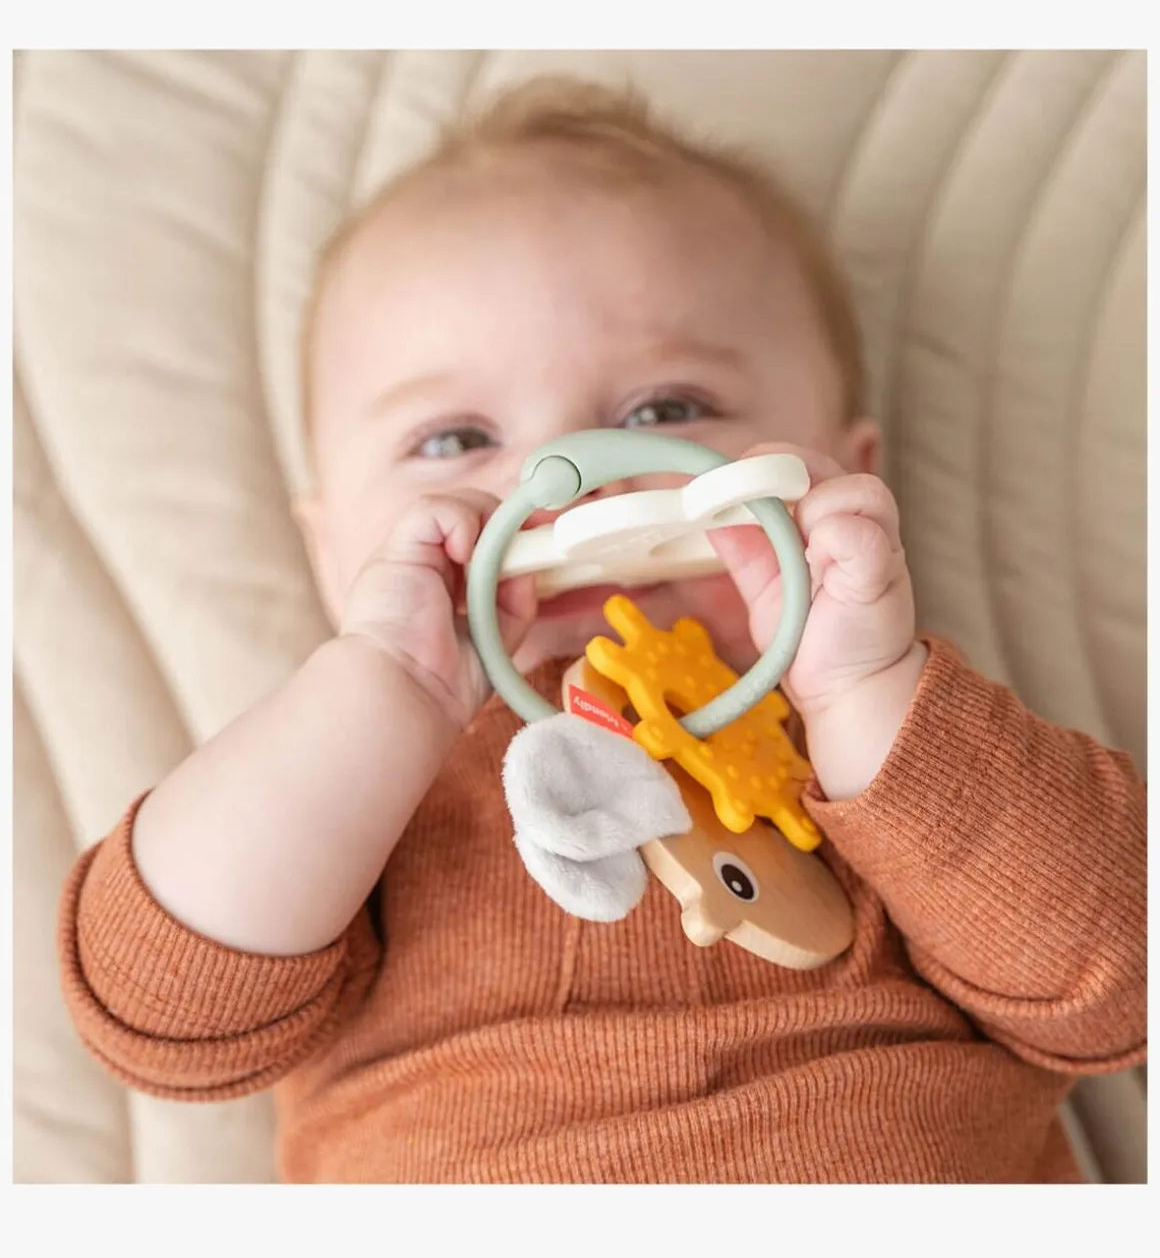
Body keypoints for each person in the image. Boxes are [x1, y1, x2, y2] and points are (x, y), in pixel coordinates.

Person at [58, 78, 1146, 1182]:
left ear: (844, 474)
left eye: (664, 412)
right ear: (331, 545)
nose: (565, 477)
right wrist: (376, 693)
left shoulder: (883, 737)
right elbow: (162, 1014)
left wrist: (869, 692)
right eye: (455, 439)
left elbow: (1121, 982)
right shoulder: (371, 778)